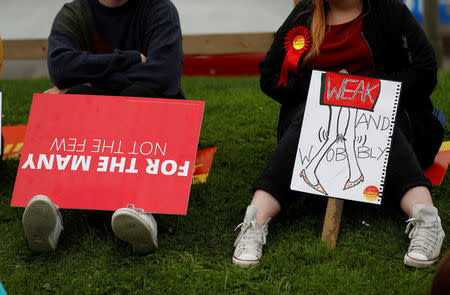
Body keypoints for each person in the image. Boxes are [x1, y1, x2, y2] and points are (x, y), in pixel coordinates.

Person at [232, 0, 445, 268]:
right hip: (314, 121)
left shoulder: (391, 10)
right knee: (312, 115)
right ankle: (254, 222)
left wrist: (364, 89)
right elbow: (270, 75)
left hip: (393, 122)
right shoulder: (304, 15)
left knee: (371, 117)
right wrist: (326, 88)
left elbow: (425, 71)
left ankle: (427, 219)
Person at [22, 0, 184, 255]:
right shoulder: (74, 13)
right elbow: (61, 66)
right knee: (75, 96)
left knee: (136, 94)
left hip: (150, 122)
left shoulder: (159, 9)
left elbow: (164, 74)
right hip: (100, 124)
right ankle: (52, 210)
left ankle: (142, 207)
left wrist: (92, 82)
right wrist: (129, 59)